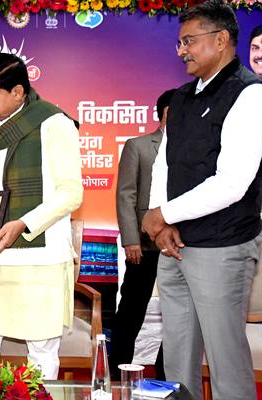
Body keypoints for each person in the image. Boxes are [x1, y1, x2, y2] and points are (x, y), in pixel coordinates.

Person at [142, 1, 262, 398]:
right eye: (180, 42)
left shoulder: (249, 94)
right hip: (173, 244)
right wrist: (160, 221)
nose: (182, 51)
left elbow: (232, 183)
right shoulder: (180, 97)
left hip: (222, 248)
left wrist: (163, 213)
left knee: (226, 362)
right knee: (177, 359)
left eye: (189, 41)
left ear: (222, 39)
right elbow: (164, 163)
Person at [0, 53, 83, 380]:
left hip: (40, 257)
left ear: (18, 92)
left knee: (41, 348)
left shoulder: (55, 124)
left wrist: (24, 224)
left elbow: (71, 192)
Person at [109, 89, 175, 381]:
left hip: (181, 246)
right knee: (131, 311)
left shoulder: (193, 149)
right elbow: (126, 195)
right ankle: (115, 373)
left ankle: (166, 372)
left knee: (177, 314)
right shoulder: (138, 146)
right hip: (144, 245)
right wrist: (131, 239)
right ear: (163, 114)